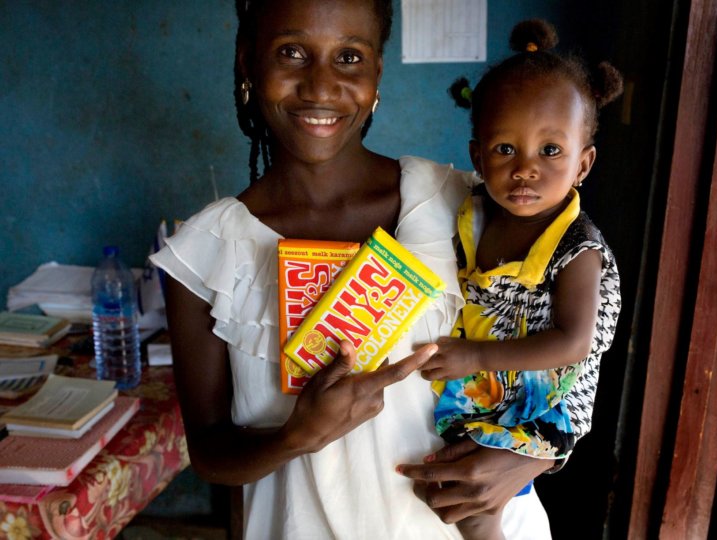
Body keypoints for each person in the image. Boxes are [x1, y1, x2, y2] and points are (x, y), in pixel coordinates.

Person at [151, 1, 552, 538]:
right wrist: (297, 435)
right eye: (291, 52)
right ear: (247, 63)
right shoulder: (204, 254)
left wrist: (538, 457)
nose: (320, 86)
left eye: (349, 57)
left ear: (376, 74)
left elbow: (572, 346)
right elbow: (209, 452)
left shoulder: (458, 203)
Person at [406, 19, 623, 539]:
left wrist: (475, 357)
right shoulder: (470, 213)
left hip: (536, 401)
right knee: (439, 490)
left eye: (551, 151)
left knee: (478, 515)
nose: (526, 169)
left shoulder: (577, 251)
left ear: (583, 164)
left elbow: (572, 344)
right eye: (506, 149)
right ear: (478, 155)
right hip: (481, 391)